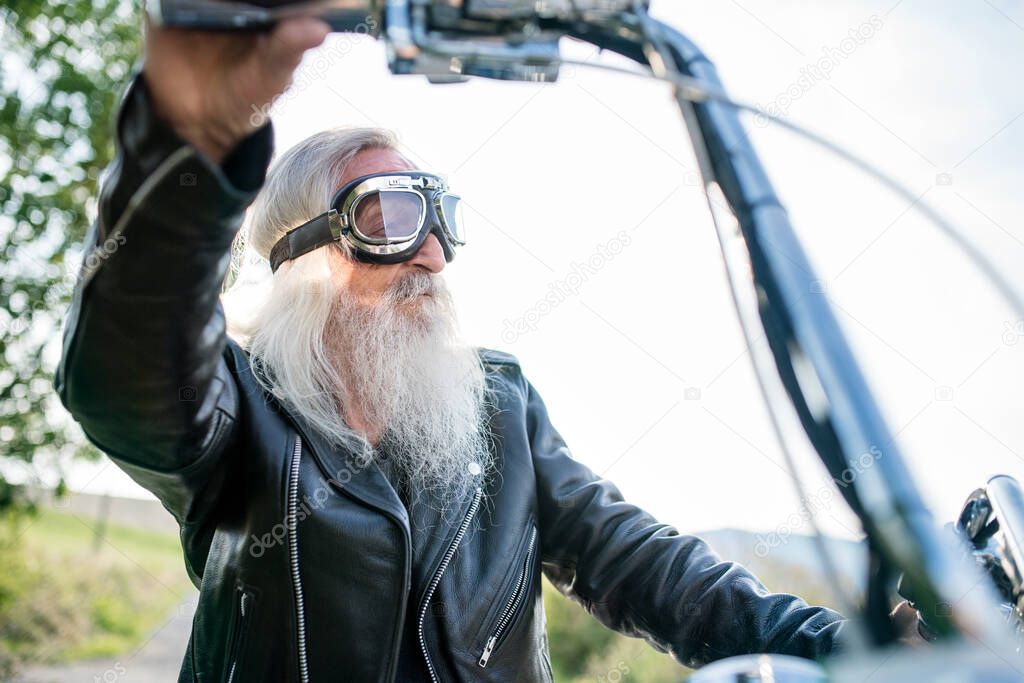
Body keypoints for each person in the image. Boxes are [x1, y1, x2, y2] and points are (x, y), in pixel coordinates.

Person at [55, 15, 860, 683]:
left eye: (439, 219)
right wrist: (190, 139)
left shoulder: (500, 407)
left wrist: (842, 648)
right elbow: (125, 374)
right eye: (388, 217)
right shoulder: (236, 409)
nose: (433, 255)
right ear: (298, 259)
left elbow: (647, 567)